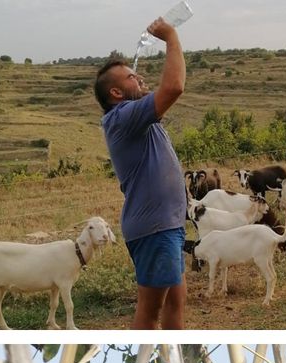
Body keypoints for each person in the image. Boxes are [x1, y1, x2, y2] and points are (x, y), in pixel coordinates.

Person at [95, 17, 187, 329]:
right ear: (117, 93)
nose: (141, 78)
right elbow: (174, 86)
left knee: (176, 302)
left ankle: (176, 357)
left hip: (167, 224)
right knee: (149, 313)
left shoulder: (138, 118)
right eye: (133, 77)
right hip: (155, 228)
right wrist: (171, 36)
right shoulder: (122, 118)